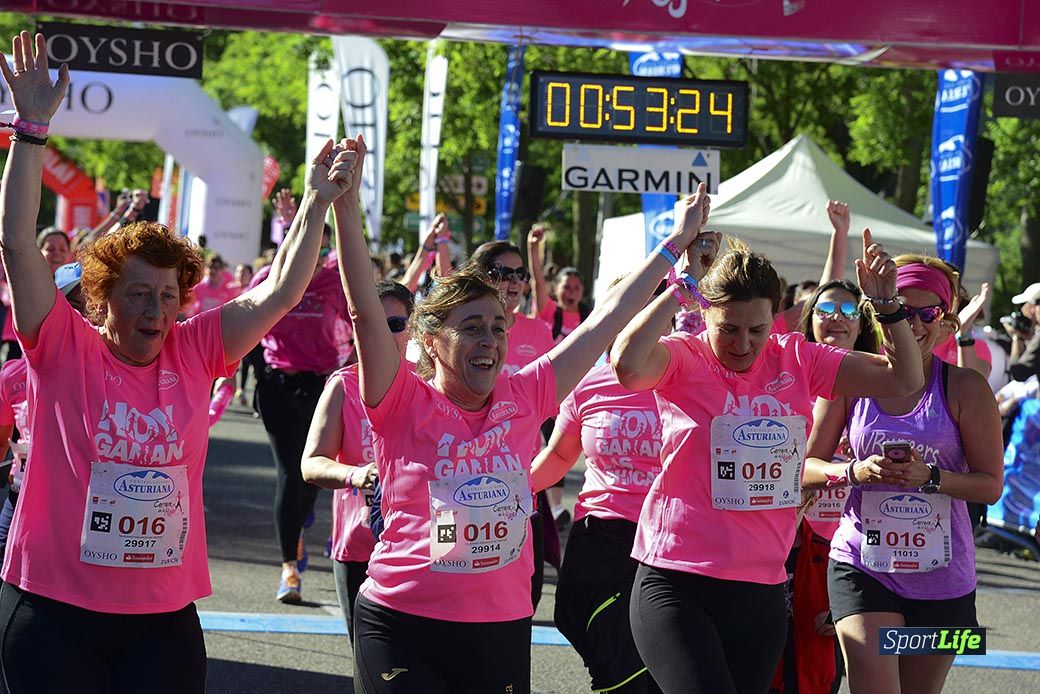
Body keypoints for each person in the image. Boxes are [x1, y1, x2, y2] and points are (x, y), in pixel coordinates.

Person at [0, 30, 361, 693]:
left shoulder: (194, 350)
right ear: (103, 298)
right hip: (53, 609)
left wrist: (317, 201)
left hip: (160, 618)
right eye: (139, 294)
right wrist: (31, 130)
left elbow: (281, 291)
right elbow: (18, 245)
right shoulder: (61, 345)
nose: (157, 310)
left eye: (168, 296)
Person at [338, 167, 719, 691]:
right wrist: (341, 204)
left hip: (500, 627)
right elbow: (364, 312)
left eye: (497, 328)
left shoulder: (526, 393)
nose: (489, 342)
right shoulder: (401, 398)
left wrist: (677, 251)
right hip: (402, 622)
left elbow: (605, 317)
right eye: (470, 328)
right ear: (430, 341)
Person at [611, 219, 924, 693]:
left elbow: (903, 380)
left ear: (775, 317)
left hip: (761, 589)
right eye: (728, 329)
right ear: (706, 314)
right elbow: (628, 365)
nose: (742, 344)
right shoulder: (684, 358)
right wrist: (682, 286)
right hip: (676, 581)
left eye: (756, 329)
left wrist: (887, 307)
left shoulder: (797, 359)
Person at [803, 255, 1003, 694]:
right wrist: (853, 472)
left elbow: (991, 486)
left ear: (944, 317)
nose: (912, 323)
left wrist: (931, 477)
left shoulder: (967, 388)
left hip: (944, 580)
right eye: (900, 310)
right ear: (879, 314)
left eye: (927, 312)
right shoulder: (850, 376)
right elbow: (805, 468)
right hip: (863, 567)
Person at [530, 277, 669, 694]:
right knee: (572, 618)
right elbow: (557, 457)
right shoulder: (588, 383)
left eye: (649, 311)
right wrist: (508, 488)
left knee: (628, 648)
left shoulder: (682, 376)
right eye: (625, 310)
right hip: (598, 532)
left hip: (662, 537)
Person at [769, 280, 882, 694]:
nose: (836, 317)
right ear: (809, 317)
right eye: (826, 309)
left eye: (849, 310)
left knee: (820, 671)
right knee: (774, 665)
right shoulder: (784, 375)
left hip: (851, 549)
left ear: (864, 321)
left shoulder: (878, 384)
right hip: (788, 540)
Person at [248, 212, 354, 602]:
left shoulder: (333, 281)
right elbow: (246, 328)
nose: (315, 250)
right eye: (308, 240)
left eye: (322, 244)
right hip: (278, 385)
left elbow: (364, 321)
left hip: (322, 386)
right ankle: (289, 569)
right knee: (290, 474)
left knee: (312, 475)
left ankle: (300, 522)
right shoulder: (268, 278)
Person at [301, 281, 413, 644]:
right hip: (359, 547)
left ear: (413, 326)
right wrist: (356, 475)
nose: (383, 334)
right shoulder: (342, 386)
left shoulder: (430, 384)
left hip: (420, 550)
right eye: (372, 324)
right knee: (370, 662)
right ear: (355, 329)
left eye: (394, 324)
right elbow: (311, 463)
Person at [469, 237, 557, 608]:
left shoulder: (538, 332)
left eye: (520, 274)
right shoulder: (463, 327)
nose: (515, 281)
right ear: (482, 276)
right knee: (469, 585)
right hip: (468, 477)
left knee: (527, 593)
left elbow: (553, 406)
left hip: (522, 479)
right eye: (505, 273)